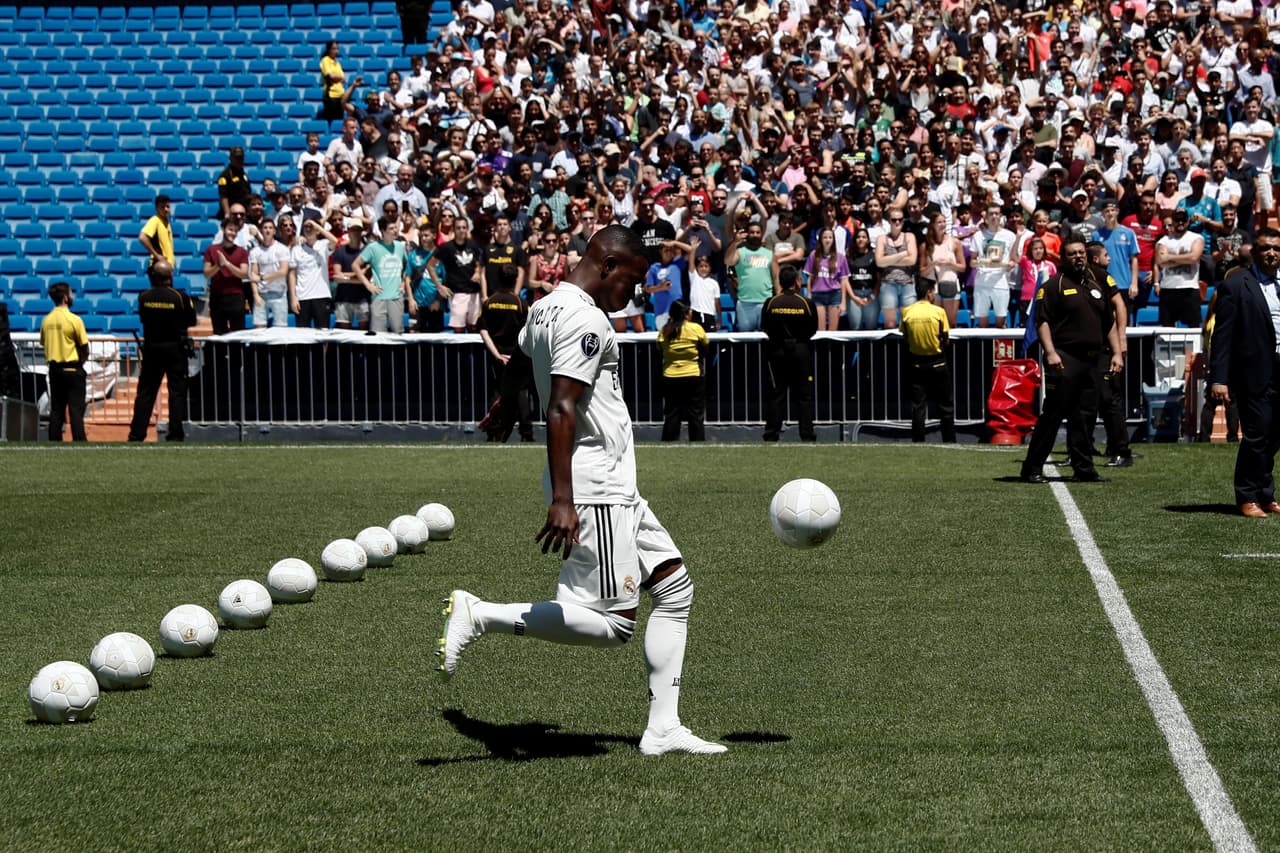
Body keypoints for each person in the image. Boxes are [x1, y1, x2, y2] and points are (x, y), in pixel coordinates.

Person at [442, 225, 727, 757]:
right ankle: (478, 613)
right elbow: (562, 407)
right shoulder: (586, 320)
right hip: (596, 488)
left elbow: (521, 362)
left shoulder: (547, 306)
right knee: (613, 624)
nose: (635, 294)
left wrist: (506, 403)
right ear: (609, 265)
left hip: (614, 486)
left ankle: (663, 727)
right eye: (634, 281)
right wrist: (563, 500)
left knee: (675, 587)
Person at [1020, 238, 1124, 484]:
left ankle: (1084, 469)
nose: (1078, 257)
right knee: (1053, 414)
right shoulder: (1053, 286)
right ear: (1063, 259)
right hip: (1064, 358)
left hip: (1092, 360)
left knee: (1084, 416)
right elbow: (1042, 321)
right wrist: (1051, 352)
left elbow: (1108, 323)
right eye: (1072, 254)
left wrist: (1117, 352)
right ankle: (1032, 468)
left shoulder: (1095, 283)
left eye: (1081, 253)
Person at [1208, 227, 1280, 518]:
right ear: (1254, 252)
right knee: (1256, 434)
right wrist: (1219, 378)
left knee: (1275, 436)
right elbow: (1222, 336)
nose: (1271, 253)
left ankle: (1265, 493)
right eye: (1265, 248)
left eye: (1276, 248)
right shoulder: (1236, 284)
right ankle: (1246, 495)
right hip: (1254, 373)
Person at [127, 261, 196, 443]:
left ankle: (136, 435)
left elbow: (143, 317)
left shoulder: (144, 297)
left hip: (152, 348)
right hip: (175, 348)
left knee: (146, 393)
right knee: (176, 392)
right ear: (170, 276)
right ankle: (175, 434)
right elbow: (191, 320)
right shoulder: (180, 297)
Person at [1085, 241, 1134, 468]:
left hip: (1105, 347)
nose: (1110, 258)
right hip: (1087, 348)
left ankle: (1121, 450)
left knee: (1108, 399)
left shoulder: (1102, 276)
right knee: (1085, 400)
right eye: (1105, 254)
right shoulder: (1080, 276)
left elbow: (1120, 304)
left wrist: (1121, 338)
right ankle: (1082, 448)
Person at [761, 265, 817, 442]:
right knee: (804, 396)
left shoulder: (771, 302)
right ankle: (807, 434)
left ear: (781, 282)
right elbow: (813, 328)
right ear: (797, 282)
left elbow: (765, 326)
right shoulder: (806, 303)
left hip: (777, 351)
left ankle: (771, 433)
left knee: (777, 394)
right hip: (801, 351)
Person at [477, 265, 532, 442]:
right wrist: (517, 354)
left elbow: (483, 331)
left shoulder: (489, 302)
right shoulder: (521, 304)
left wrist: (497, 355)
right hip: (517, 354)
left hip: (497, 353)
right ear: (516, 280)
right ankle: (527, 434)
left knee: (498, 390)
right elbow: (528, 331)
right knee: (521, 392)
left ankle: (493, 431)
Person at [899, 279, 956, 443]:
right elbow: (945, 338)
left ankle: (918, 441)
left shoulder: (907, 312)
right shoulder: (938, 312)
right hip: (937, 362)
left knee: (918, 406)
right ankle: (949, 440)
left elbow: (905, 337)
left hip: (916, 363)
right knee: (945, 406)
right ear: (929, 292)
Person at [39, 282, 88, 442]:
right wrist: (81, 361)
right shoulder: (74, 319)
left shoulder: (46, 320)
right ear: (66, 298)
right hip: (73, 369)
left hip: (54, 369)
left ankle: (54, 442)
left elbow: (44, 342)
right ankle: (79, 442)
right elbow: (83, 345)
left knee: (57, 410)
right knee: (75, 411)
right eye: (71, 293)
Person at [655, 300, 708, 442]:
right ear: (685, 314)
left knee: (672, 413)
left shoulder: (665, 331)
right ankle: (697, 442)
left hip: (670, 375)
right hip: (693, 375)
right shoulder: (696, 329)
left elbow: (660, 349)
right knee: (695, 413)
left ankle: (668, 443)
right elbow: (704, 347)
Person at [354, 215, 411, 333]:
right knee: (378, 334)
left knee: (398, 333)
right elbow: (355, 265)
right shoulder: (372, 248)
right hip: (379, 297)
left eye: (396, 228)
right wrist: (368, 285)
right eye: (391, 228)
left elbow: (407, 266)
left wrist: (403, 283)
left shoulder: (400, 246)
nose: (395, 231)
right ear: (383, 231)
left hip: (396, 297)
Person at [1198, 289, 1239, 444]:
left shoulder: (1209, 321)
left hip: (1215, 365)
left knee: (1210, 403)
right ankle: (1233, 436)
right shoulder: (1222, 321)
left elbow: (1206, 347)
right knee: (1231, 402)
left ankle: (1204, 436)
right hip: (1226, 364)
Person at [1154, 209, 1205, 328]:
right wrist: (1185, 258)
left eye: (1183, 219)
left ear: (1188, 221)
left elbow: (1194, 257)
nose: (1180, 222)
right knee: (1167, 329)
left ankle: (1192, 348)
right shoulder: (1164, 241)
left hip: (1189, 288)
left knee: (1193, 329)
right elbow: (1161, 261)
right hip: (1168, 289)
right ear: (1173, 221)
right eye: (1177, 219)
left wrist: (1169, 257)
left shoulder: (1196, 238)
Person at [725, 220, 775, 332]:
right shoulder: (739, 251)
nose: (755, 235)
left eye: (757, 232)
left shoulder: (769, 254)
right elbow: (728, 260)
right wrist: (735, 242)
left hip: (765, 302)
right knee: (745, 341)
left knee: (765, 339)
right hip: (745, 304)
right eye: (752, 232)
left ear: (762, 234)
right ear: (747, 234)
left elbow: (776, 278)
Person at [202, 219, 250, 334]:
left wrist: (227, 264)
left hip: (236, 296)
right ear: (223, 230)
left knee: (238, 333)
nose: (232, 233)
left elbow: (243, 273)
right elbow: (207, 273)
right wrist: (218, 265)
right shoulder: (211, 250)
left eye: (235, 231)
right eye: (230, 230)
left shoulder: (242, 252)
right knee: (219, 333)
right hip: (217, 296)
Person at [289, 218, 337, 329]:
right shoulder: (296, 250)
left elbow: (334, 241)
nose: (309, 228)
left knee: (323, 333)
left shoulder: (323, 245)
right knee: (302, 337)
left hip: (321, 296)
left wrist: (317, 225)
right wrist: (293, 297)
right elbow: (292, 274)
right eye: (306, 226)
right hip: (302, 297)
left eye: (311, 226)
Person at [803, 227, 852, 333]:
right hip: (818, 295)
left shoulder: (840, 257)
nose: (827, 240)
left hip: (834, 295)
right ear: (820, 239)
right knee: (820, 330)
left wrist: (843, 302)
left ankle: (831, 350)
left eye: (830, 237)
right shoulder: (813, 255)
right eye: (825, 237)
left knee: (832, 331)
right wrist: (809, 295)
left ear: (833, 240)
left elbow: (843, 281)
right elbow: (810, 278)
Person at [248, 219, 291, 329]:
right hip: (262, 294)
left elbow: (283, 271)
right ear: (261, 231)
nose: (268, 230)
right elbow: (253, 275)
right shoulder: (255, 252)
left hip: (279, 294)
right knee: (259, 328)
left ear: (274, 231)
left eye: (270, 228)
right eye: (265, 228)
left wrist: (262, 278)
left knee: (280, 329)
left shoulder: (282, 249)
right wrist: (255, 295)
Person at [138, 194, 174, 271]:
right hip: (158, 266)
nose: (165, 209)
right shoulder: (155, 220)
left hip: (166, 267)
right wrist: (157, 255)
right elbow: (142, 237)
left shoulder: (166, 223)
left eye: (167, 206)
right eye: (162, 207)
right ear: (157, 208)